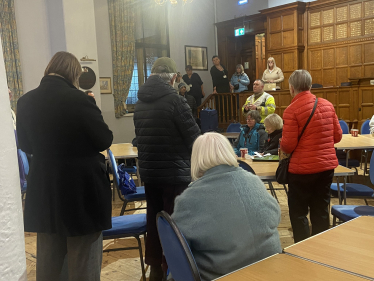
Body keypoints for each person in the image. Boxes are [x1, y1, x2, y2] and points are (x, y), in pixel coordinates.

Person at [16, 51, 113, 281]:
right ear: (73, 74)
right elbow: (104, 140)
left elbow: (25, 144)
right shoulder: (80, 100)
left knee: (49, 262)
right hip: (81, 192)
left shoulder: (25, 101)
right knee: (83, 263)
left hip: (45, 190)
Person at [172, 132, 282, 281]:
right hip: (272, 268)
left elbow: (175, 247)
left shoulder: (189, 198)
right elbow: (276, 216)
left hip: (226, 273)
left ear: (196, 158)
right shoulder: (254, 180)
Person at [134, 57, 200, 281]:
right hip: (174, 174)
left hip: (150, 173)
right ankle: (173, 271)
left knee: (154, 221)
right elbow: (194, 138)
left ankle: (155, 270)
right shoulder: (176, 100)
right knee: (175, 223)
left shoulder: (140, 101)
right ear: (173, 78)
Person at [280, 69, 342, 243]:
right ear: (309, 85)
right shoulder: (327, 105)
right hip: (326, 168)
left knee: (299, 213)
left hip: (302, 171)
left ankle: (302, 251)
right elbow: (337, 136)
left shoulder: (291, 110)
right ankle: (319, 249)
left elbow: (288, 145)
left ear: (292, 88)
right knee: (321, 209)